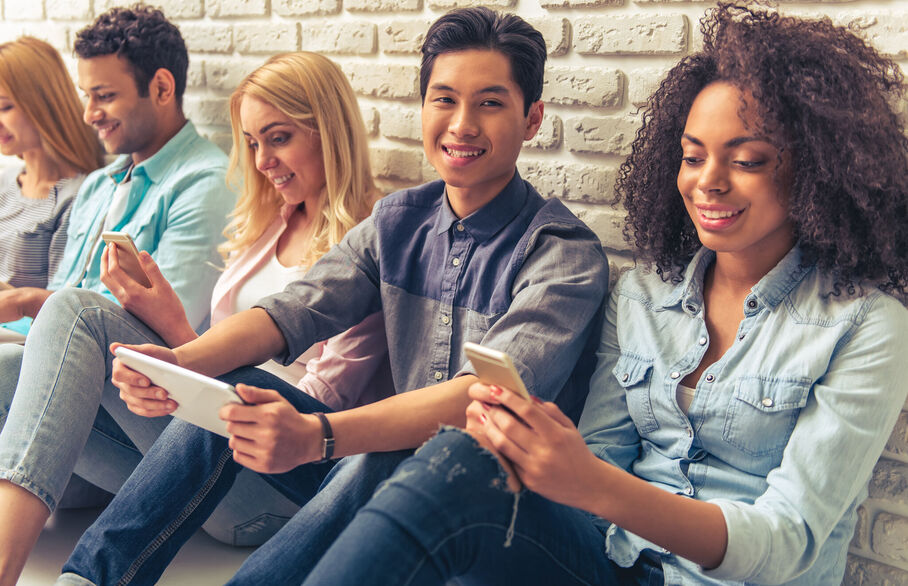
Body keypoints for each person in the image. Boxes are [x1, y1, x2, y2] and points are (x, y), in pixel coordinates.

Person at [294, 3, 908, 585]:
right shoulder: (642, 296)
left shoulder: (867, 325)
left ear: (817, 169)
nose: (709, 183)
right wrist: (537, 455)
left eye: (746, 160)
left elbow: (788, 540)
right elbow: (601, 459)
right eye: (693, 158)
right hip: (605, 561)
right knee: (449, 461)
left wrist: (585, 480)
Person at [57, 7, 609, 585]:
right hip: (382, 473)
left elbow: (482, 399)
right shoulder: (398, 221)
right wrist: (179, 364)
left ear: (533, 118)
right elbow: (293, 309)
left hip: (494, 506)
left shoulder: (563, 254)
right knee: (237, 392)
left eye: (490, 103)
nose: (462, 124)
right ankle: (90, 578)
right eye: (444, 100)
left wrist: (320, 436)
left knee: (389, 455)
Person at [0, 5, 233, 583]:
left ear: (160, 87)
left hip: (155, 426)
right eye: (86, 95)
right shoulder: (103, 183)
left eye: (103, 96)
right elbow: (47, 331)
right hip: (75, 433)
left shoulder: (203, 183)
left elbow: (158, 341)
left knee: (70, 314)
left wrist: (32, 303)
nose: (88, 114)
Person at [0, 37, 103, 334]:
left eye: (5, 107)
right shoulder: (6, 182)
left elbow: (61, 306)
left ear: (42, 104)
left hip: (21, 341)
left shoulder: (78, 197)